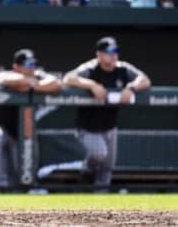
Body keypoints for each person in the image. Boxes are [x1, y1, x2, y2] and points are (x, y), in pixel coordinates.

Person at [63, 37, 151, 188]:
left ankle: (102, 204)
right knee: (100, 154)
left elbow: (145, 80)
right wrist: (91, 84)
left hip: (110, 126)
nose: (112, 55)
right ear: (99, 54)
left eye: (115, 51)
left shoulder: (122, 68)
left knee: (107, 169)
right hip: (88, 127)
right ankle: (86, 169)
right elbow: (68, 78)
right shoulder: (91, 68)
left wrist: (131, 88)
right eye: (108, 51)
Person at [0, 49, 61, 188]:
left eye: (33, 64)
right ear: (16, 67)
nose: (31, 68)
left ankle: (26, 188)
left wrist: (33, 85)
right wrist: (29, 82)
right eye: (27, 65)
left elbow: (56, 83)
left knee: (22, 172)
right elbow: (2, 78)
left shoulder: (37, 76)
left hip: (21, 131)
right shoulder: (7, 74)